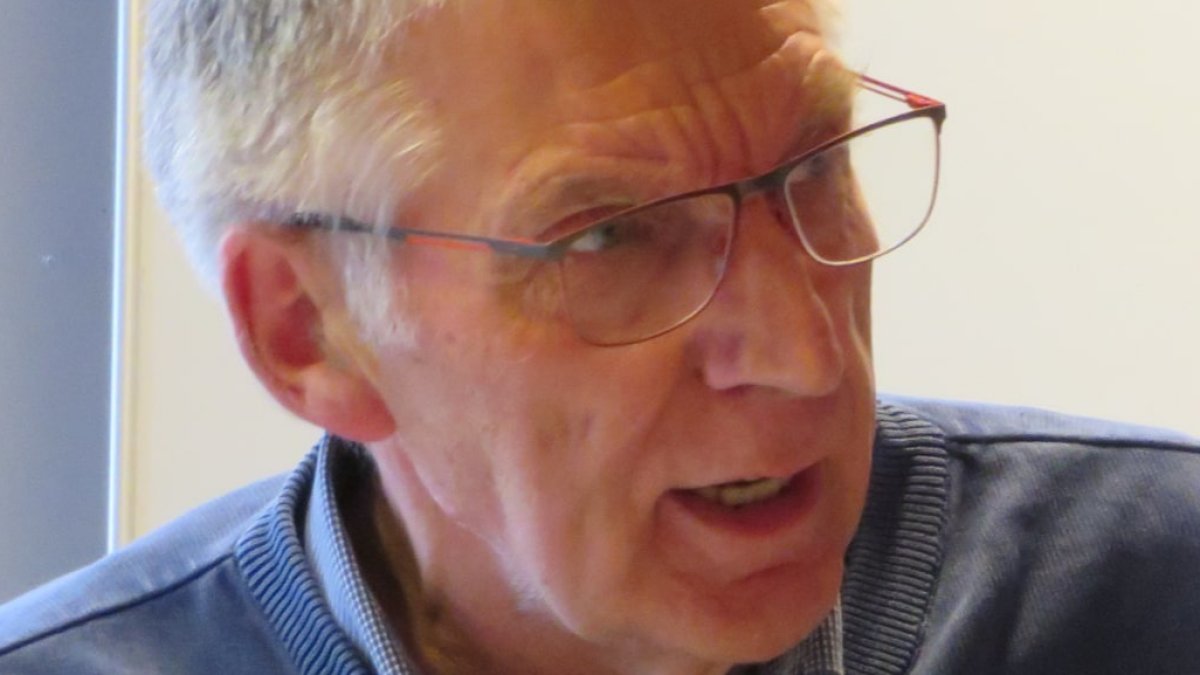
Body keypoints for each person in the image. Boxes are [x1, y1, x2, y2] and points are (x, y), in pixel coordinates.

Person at [2, 0, 1198, 673]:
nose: (804, 354)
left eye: (817, 166)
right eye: (610, 238)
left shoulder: (1156, 593)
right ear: (308, 331)